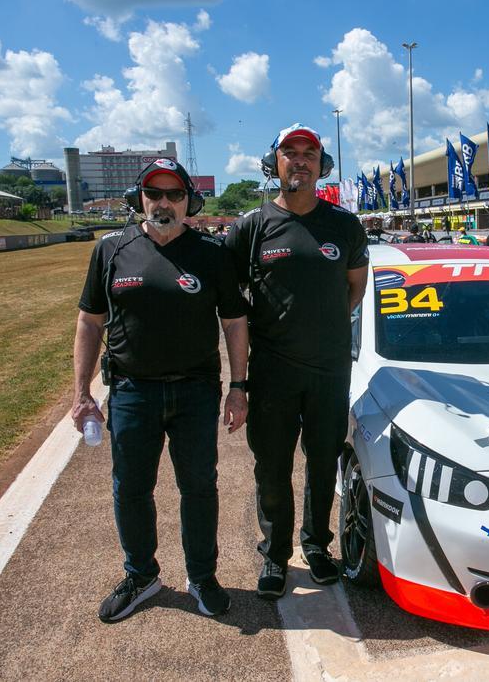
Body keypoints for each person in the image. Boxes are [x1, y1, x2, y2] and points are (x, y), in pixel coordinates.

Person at [72, 158, 249, 622]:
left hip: (195, 392)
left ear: (190, 200)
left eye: (174, 194)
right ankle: (141, 575)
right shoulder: (111, 250)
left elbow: (233, 322)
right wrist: (82, 394)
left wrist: (238, 388)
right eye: (155, 193)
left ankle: (201, 576)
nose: (164, 203)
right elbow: (90, 322)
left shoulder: (213, 254)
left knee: (199, 488)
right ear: (140, 199)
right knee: (130, 488)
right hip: (132, 391)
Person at [225, 124, 368, 597]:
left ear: (322, 165)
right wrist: (240, 381)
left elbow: (355, 288)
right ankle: (275, 554)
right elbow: (230, 304)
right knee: (272, 467)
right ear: (276, 163)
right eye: (291, 152)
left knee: (322, 463)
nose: (301, 161)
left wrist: (322, 330)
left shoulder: (345, 225)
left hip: (329, 370)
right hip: (273, 371)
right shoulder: (251, 226)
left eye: (310, 153)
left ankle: (317, 546)